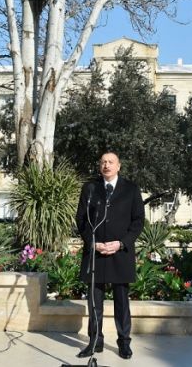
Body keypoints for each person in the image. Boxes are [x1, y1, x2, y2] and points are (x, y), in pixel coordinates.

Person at [75, 151, 144, 360]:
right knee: (94, 301)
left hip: (120, 253)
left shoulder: (131, 189)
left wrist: (122, 243)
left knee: (121, 301)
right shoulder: (90, 188)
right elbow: (81, 220)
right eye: (103, 162)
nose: (106, 165)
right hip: (95, 253)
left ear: (118, 166)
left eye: (110, 162)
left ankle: (124, 343)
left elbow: (138, 221)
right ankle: (95, 341)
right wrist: (93, 243)